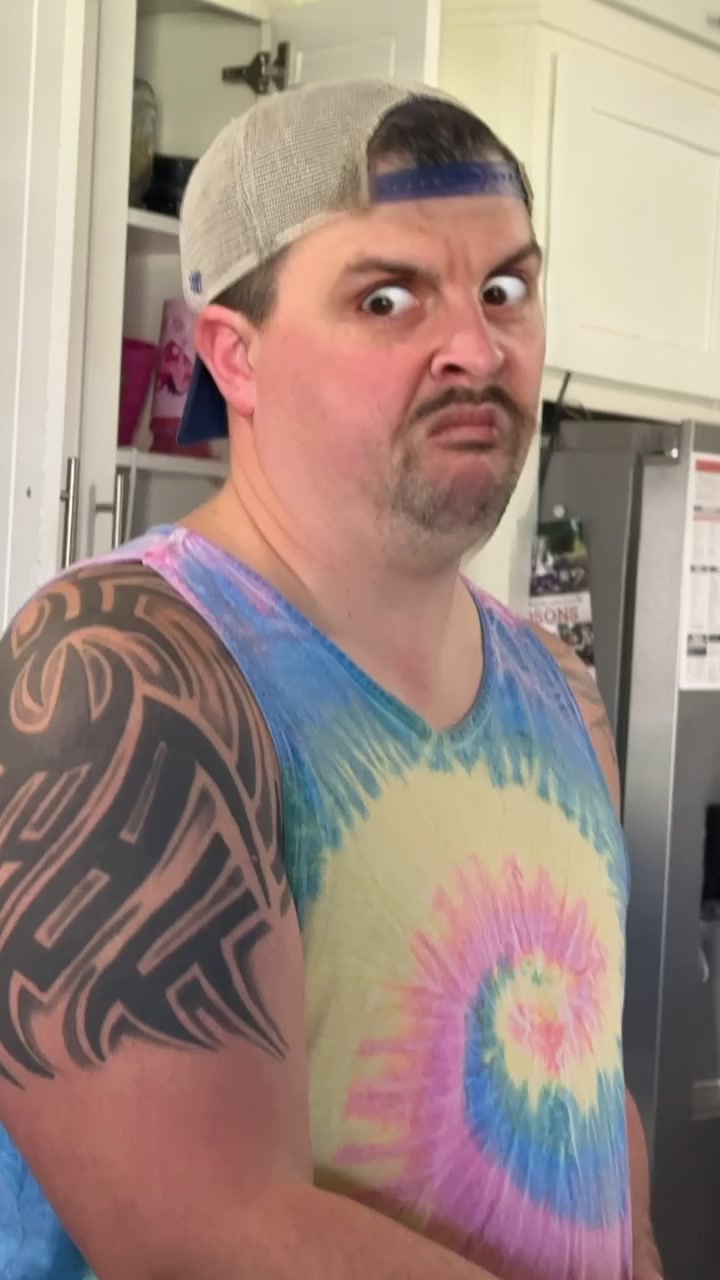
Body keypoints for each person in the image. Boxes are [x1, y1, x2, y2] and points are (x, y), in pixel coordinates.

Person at [0, 78, 662, 1280]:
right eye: (387, 297)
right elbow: (208, 1233)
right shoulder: (124, 671)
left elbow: (591, 1096)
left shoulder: (561, 693)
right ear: (235, 357)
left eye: (504, 288)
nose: (479, 347)